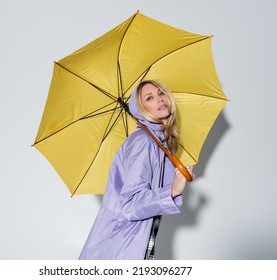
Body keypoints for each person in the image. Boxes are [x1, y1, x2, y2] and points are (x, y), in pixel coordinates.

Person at [79, 80, 195, 260]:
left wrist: (178, 176)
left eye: (161, 93)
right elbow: (130, 204)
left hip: (132, 244)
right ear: (141, 110)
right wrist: (172, 191)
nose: (160, 99)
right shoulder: (143, 142)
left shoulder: (158, 145)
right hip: (121, 247)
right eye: (150, 98)